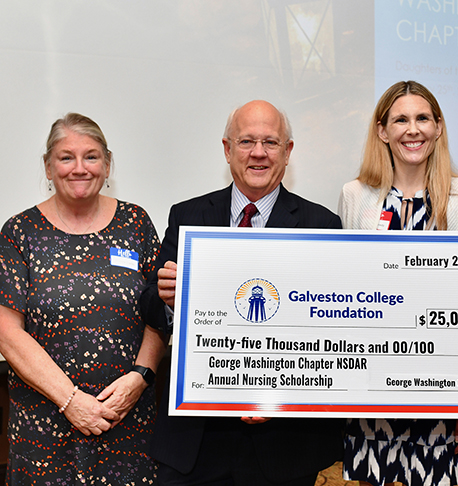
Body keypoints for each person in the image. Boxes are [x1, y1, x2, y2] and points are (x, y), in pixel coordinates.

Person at [139, 100, 344, 485]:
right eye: (247, 141)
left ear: (288, 152)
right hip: (195, 438)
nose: (259, 153)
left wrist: (279, 394)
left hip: (282, 441)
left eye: (270, 142)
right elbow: (149, 307)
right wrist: (167, 300)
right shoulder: (187, 216)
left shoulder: (322, 224)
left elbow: (329, 328)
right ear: (227, 148)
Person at [0, 113, 167, 484]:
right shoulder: (19, 233)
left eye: (91, 157)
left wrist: (140, 377)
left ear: (107, 165)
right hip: (43, 428)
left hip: (126, 418)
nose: (80, 168)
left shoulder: (136, 223)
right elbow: (7, 333)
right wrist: (71, 401)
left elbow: (160, 311)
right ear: (48, 167)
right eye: (66, 157)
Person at [338, 80, 458, 486]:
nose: (412, 129)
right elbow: (344, 290)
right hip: (371, 383)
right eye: (400, 119)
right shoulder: (355, 196)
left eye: (422, 118)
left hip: (441, 387)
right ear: (382, 131)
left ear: (438, 127)